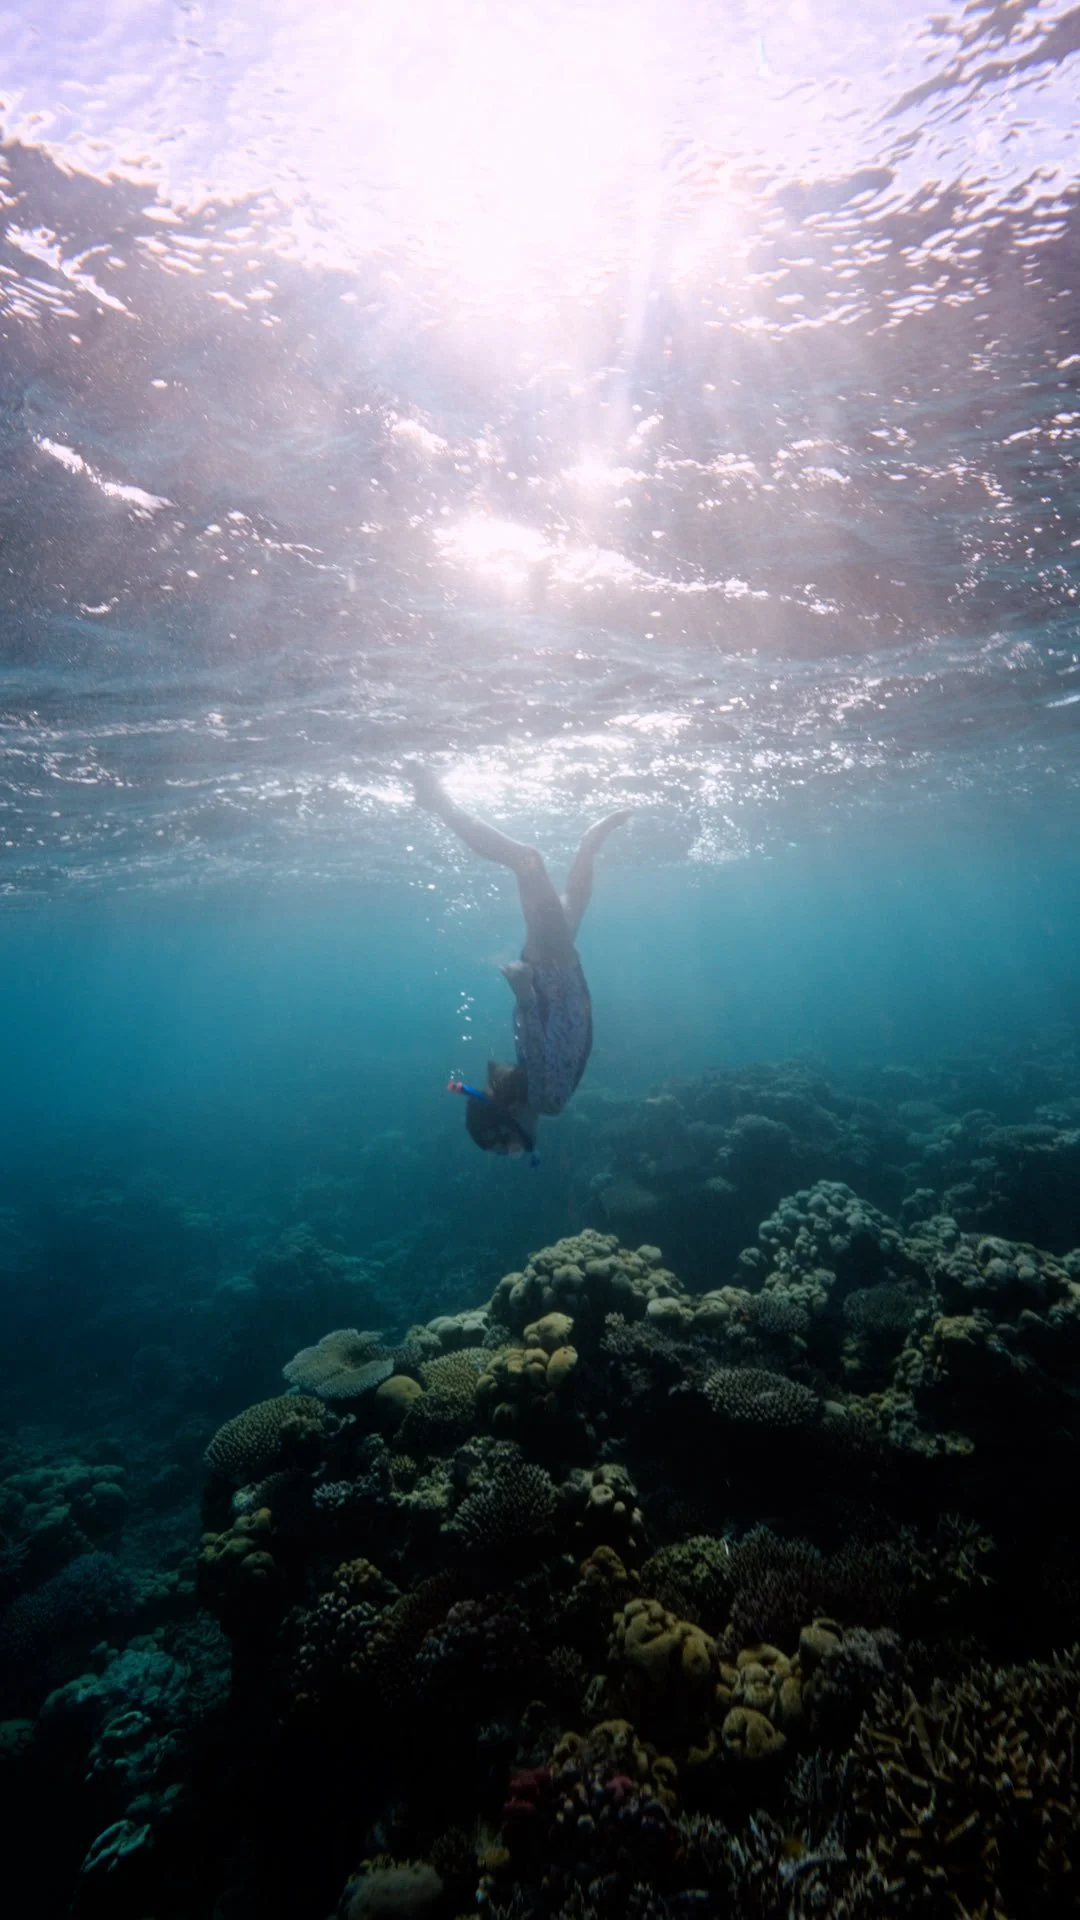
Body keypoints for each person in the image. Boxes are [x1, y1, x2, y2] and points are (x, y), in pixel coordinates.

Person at [406, 764, 630, 1160]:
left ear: (506, 1119)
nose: (518, 1149)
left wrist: (524, 992)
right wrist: (527, 991)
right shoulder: (540, 1098)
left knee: (527, 860)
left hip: (552, 972)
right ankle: (588, 844)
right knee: (572, 905)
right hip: (556, 974)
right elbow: (539, 1045)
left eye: (508, 1146)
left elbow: (536, 1045)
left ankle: (439, 803)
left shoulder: (545, 1100)